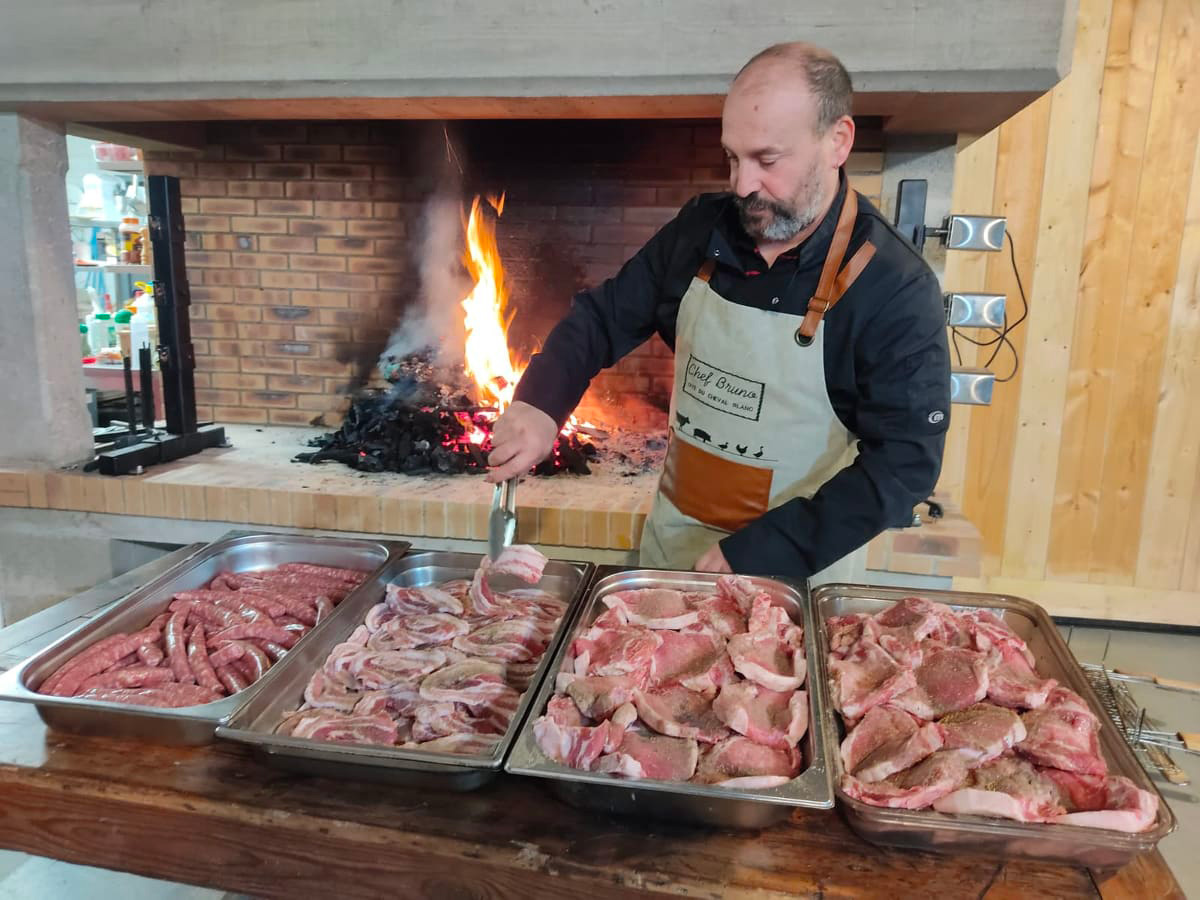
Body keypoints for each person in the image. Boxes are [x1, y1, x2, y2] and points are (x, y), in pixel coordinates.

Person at [486, 41, 951, 584]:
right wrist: (541, 403)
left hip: (788, 579)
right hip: (671, 554)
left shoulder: (894, 288)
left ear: (837, 141)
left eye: (767, 160)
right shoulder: (701, 229)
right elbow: (602, 317)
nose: (742, 184)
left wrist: (768, 551)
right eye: (733, 157)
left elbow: (904, 463)